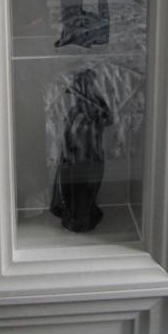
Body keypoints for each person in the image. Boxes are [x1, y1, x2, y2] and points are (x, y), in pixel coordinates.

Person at [50, 68, 113, 232]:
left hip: (89, 159)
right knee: (71, 190)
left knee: (85, 190)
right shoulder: (74, 111)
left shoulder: (96, 110)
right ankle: (74, 217)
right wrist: (65, 152)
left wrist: (96, 107)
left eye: (78, 91)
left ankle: (83, 218)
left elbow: (108, 120)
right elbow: (67, 135)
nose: (75, 96)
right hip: (72, 159)